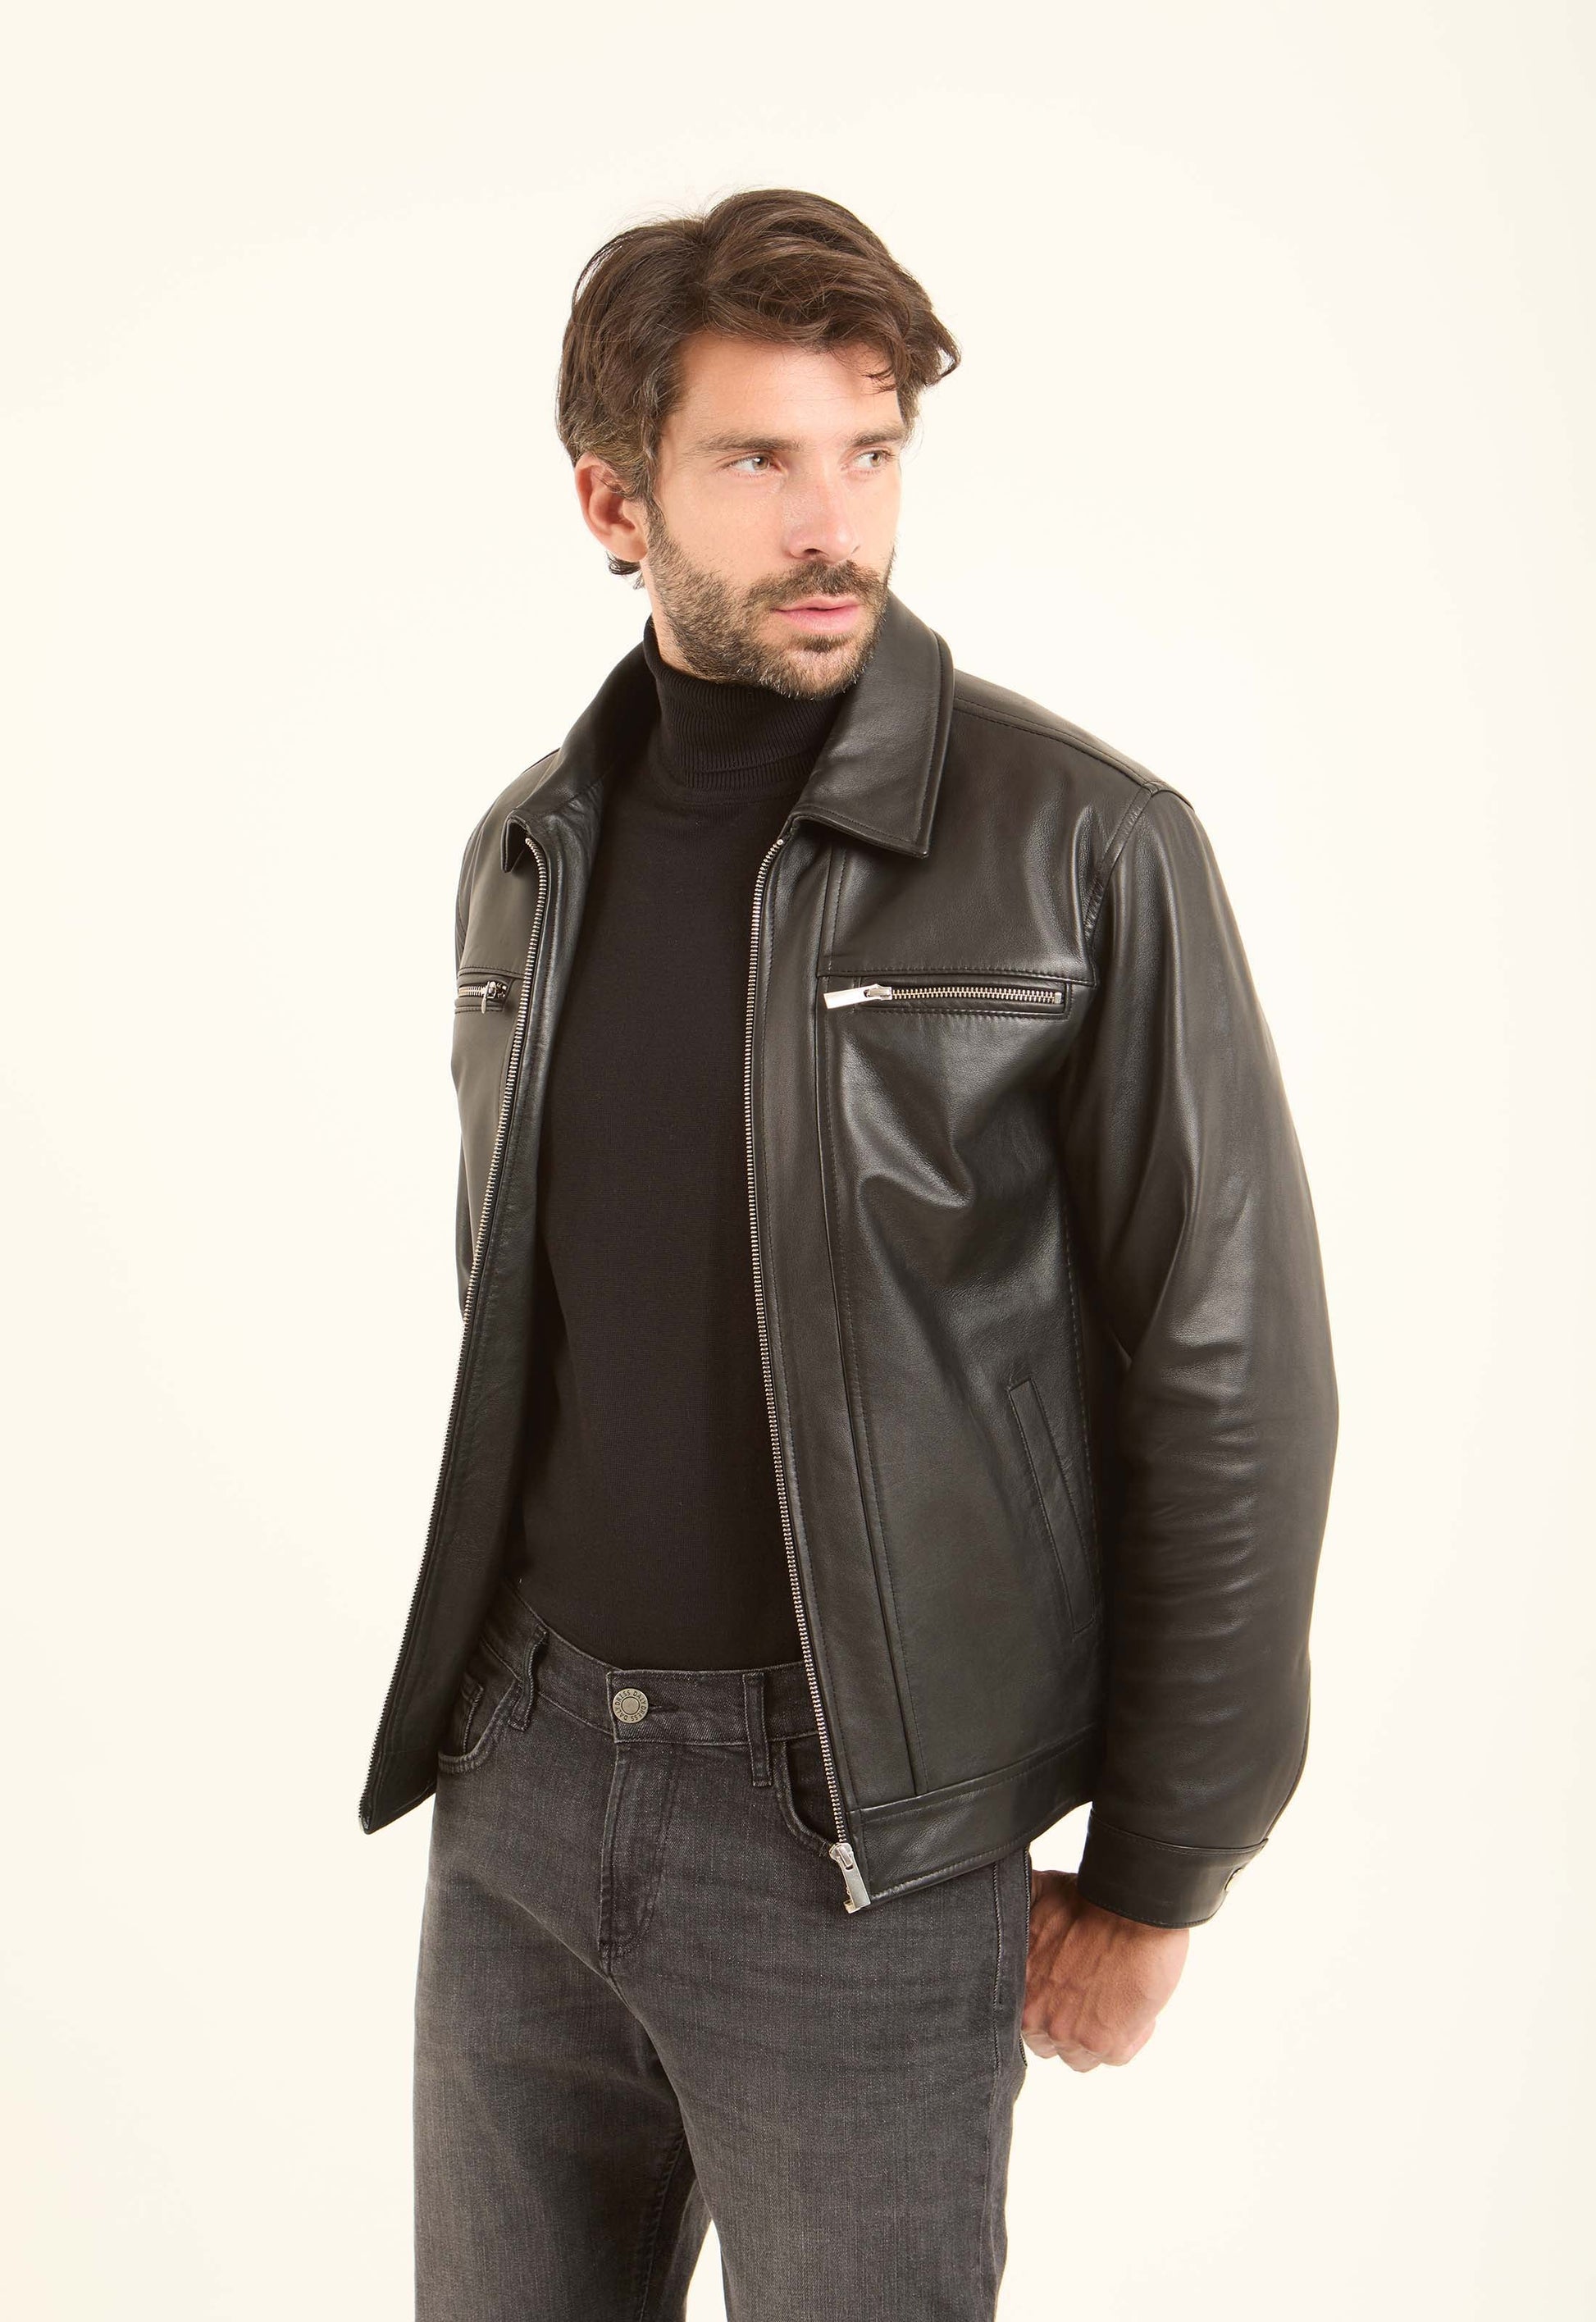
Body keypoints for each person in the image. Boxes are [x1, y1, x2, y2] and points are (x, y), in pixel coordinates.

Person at [358, 185, 1339, 2321]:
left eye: (869, 450)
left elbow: (1228, 1368)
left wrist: (1162, 1871)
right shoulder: (527, 852)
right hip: (520, 1781)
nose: (833, 524)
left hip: (855, 1838)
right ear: (615, 501)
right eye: (757, 459)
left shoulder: (1085, 847)